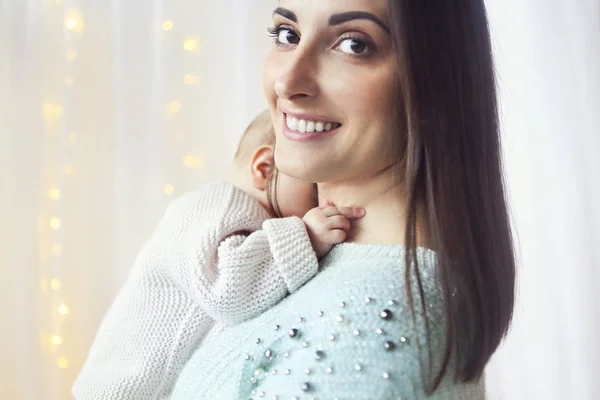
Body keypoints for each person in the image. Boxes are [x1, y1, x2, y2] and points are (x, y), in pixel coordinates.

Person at [169, 0, 516, 399]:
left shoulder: (370, 326)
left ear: (436, 79)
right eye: (288, 35)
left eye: (353, 45)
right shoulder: (313, 261)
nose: (287, 82)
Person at [72, 110, 365, 399]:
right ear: (264, 169)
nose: (322, 200)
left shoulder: (252, 229)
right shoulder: (216, 204)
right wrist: (307, 237)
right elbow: (227, 290)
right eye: (314, 186)